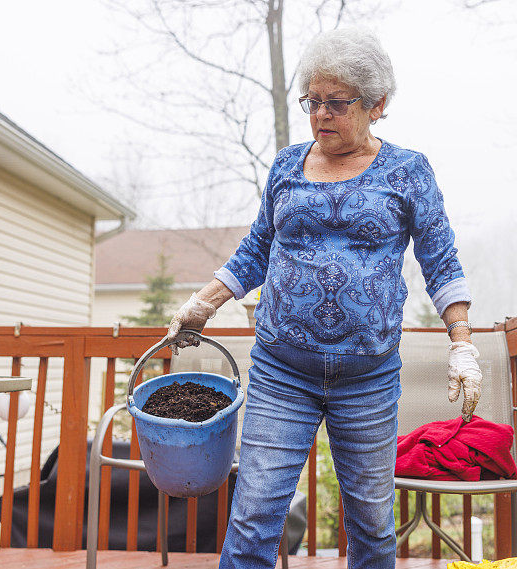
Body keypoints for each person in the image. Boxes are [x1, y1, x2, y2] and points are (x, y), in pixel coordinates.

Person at [163, 27, 482, 569]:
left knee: (372, 524)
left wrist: (463, 343)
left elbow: (441, 260)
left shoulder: (408, 172)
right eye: (312, 101)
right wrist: (204, 302)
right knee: (254, 515)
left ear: (378, 104)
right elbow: (255, 249)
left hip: (369, 378)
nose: (320, 114)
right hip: (282, 371)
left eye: (337, 102)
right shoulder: (287, 166)